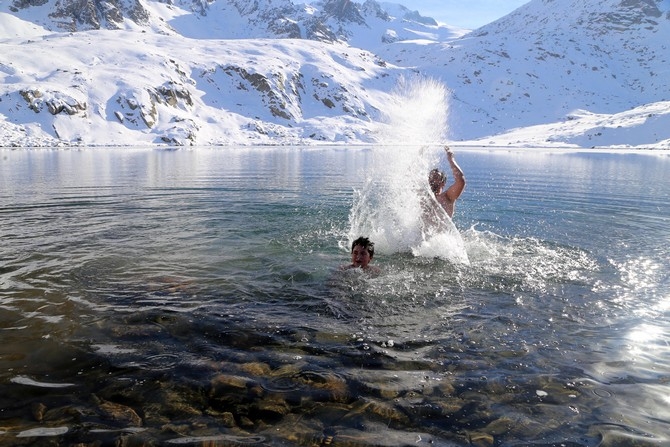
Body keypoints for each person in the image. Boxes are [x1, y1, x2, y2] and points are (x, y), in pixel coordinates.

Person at [428, 146, 466, 219]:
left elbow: (460, 181)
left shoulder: (447, 197)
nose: (431, 179)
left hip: (442, 230)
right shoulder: (423, 197)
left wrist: (451, 159)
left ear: (443, 183)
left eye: (435, 177)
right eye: (430, 177)